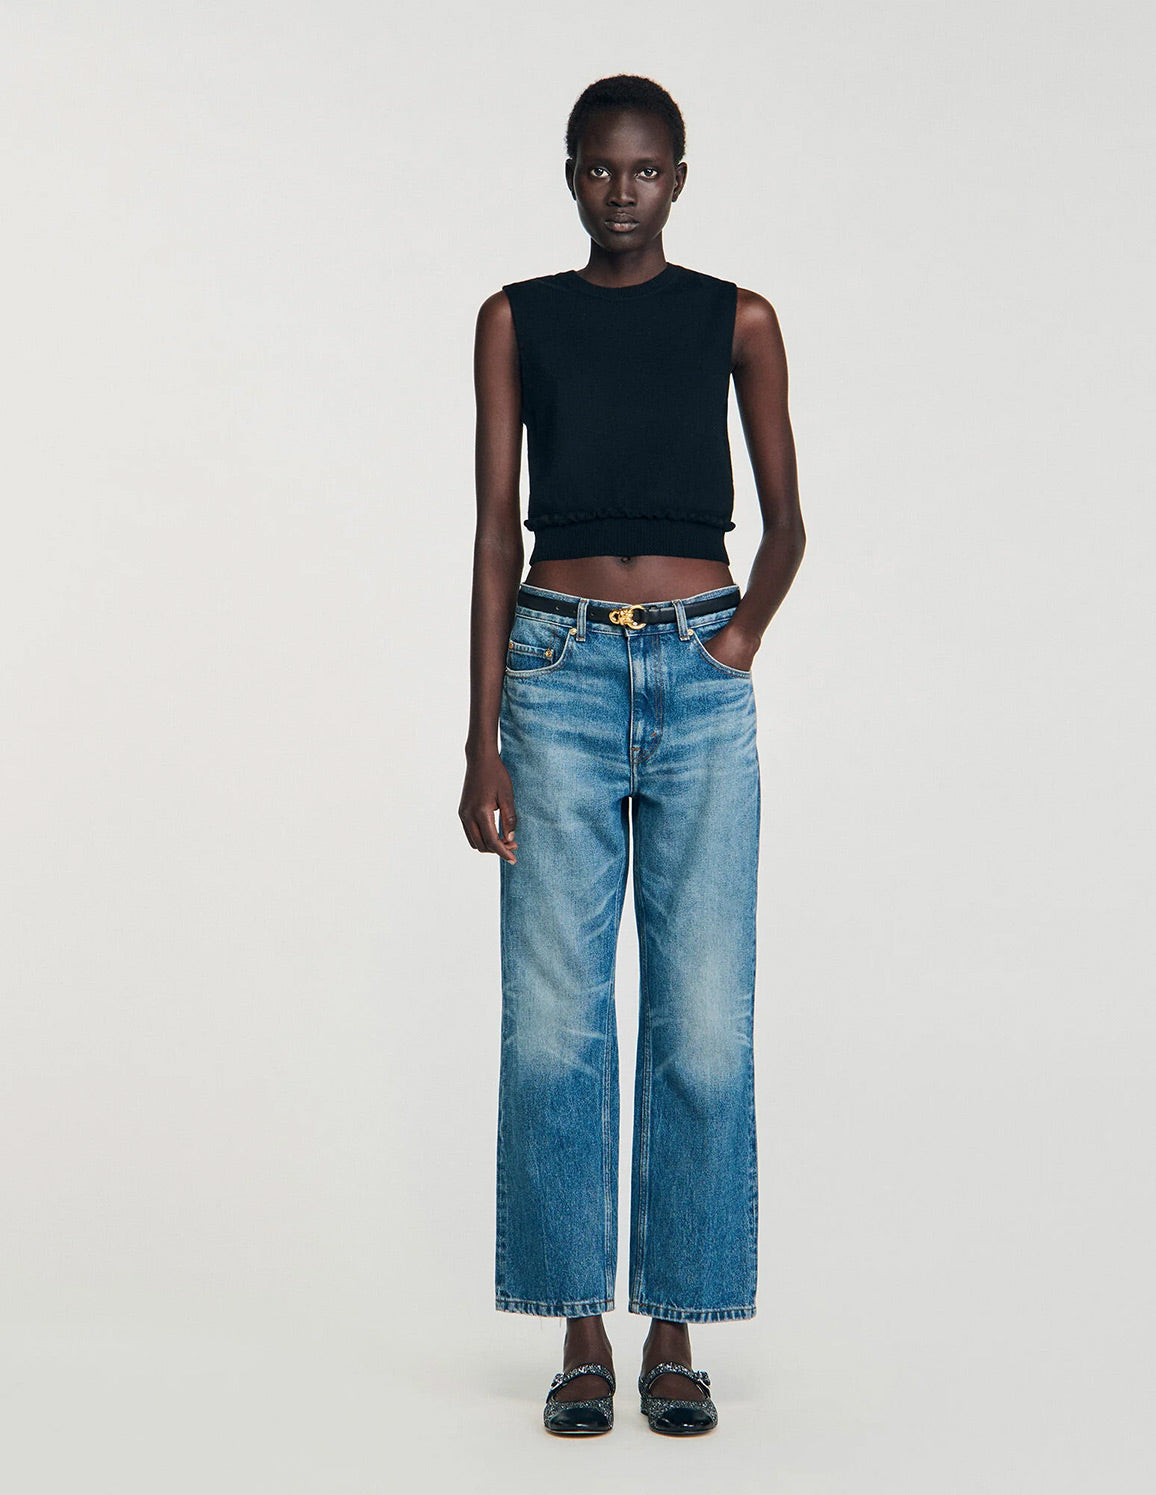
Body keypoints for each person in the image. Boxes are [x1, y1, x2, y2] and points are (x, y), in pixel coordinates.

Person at [459, 74, 805, 1437]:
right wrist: (481, 734)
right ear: (569, 174)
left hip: (698, 672)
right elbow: (496, 529)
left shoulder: (738, 319)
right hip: (555, 678)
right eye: (601, 170)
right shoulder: (516, 318)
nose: (623, 192)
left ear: (679, 177)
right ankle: (578, 1332)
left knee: (703, 1021)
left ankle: (677, 1327)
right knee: (556, 1024)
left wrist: (738, 642)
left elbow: (787, 521)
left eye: (646, 170)